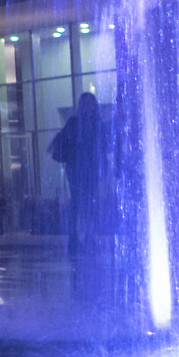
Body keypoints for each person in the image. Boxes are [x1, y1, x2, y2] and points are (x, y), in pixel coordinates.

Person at [50, 92, 104, 259]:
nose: (86, 107)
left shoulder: (89, 123)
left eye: (88, 104)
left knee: (83, 204)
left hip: (85, 169)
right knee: (81, 203)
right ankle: (79, 239)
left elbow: (101, 147)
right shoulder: (82, 123)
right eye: (84, 104)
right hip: (79, 169)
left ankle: (83, 239)